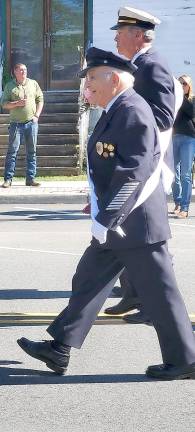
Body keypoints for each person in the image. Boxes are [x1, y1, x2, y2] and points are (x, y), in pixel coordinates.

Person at [17, 48, 195, 380]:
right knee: (88, 280)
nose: (87, 87)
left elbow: (133, 173)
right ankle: (59, 348)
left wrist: (106, 218)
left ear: (112, 78)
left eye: (92, 79)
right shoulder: (118, 107)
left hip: (136, 223)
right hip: (120, 224)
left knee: (160, 293)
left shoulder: (131, 111)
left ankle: (184, 358)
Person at [104, 5, 183, 322]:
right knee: (127, 236)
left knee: (147, 241)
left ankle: (155, 306)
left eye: (120, 33)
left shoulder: (151, 66)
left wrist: (126, 109)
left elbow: (162, 117)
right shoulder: (136, 65)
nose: (116, 39)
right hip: (132, 165)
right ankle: (136, 295)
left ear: (137, 35)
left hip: (145, 168)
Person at [1, 63, 44, 187]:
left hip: (31, 123)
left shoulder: (33, 83)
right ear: (15, 72)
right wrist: (16, 104)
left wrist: (37, 116)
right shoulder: (10, 86)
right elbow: (4, 104)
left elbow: (40, 99)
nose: (24, 72)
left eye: (25, 69)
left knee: (32, 152)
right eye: (21, 70)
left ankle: (30, 179)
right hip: (16, 125)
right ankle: (8, 180)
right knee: (12, 152)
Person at [172, 75, 195, 218]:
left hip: (188, 138)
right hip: (173, 138)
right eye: (179, 83)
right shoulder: (173, 99)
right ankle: (178, 202)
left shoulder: (191, 100)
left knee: (185, 173)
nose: (181, 85)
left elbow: (192, 112)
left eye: (184, 83)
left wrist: (181, 97)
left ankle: (185, 208)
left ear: (189, 86)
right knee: (173, 172)